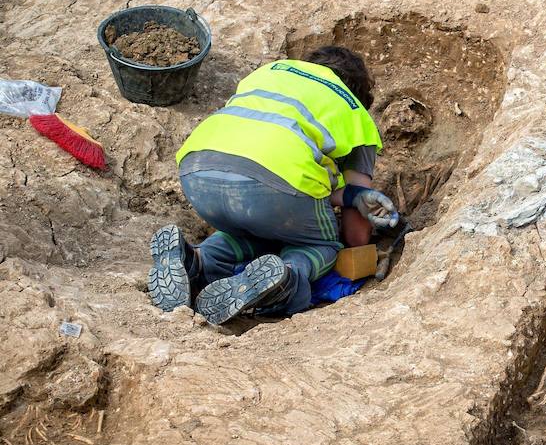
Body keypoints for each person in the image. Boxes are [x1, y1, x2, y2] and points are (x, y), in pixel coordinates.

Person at [147, 47, 398, 325]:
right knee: (323, 243)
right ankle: (287, 278)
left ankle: (195, 260)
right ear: (359, 93)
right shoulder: (353, 111)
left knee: (255, 229)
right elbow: (355, 237)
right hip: (277, 185)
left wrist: (346, 197)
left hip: (198, 172)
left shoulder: (271, 73)